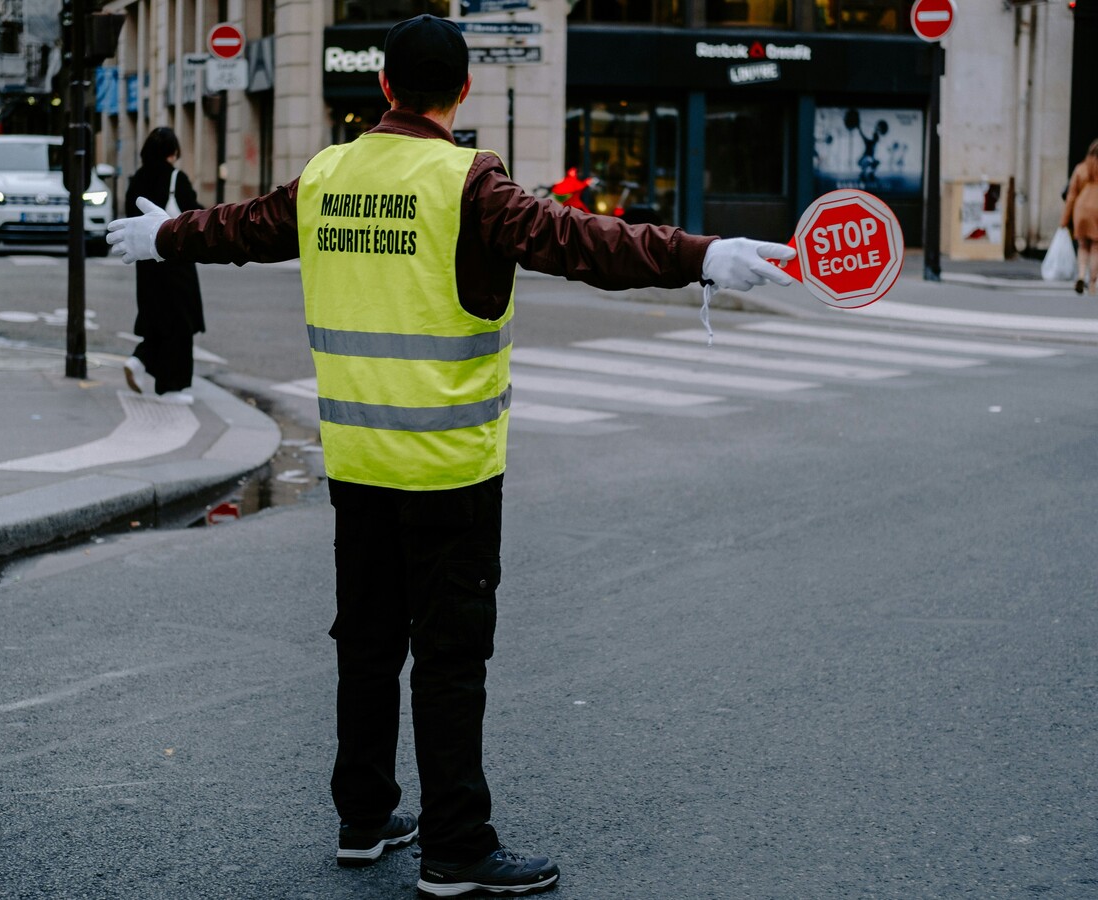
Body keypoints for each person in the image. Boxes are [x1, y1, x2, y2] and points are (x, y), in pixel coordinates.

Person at [108, 15, 794, 897]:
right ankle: (456, 848)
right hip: (450, 472)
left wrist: (168, 234)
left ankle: (363, 817)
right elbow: (585, 242)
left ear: (384, 87)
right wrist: (705, 256)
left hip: (356, 466)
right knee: (449, 659)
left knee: (365, 643)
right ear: (461, 92)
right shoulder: (469, 183)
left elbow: (242, 228)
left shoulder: (326, 174)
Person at [122, 126, 205, 403]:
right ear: (173, 152)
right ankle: (172, 387)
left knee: (157, 317)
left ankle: (140, 361)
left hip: (144, 262)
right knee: (180, 323)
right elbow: (194, 214)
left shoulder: (137, 180)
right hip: (174, 261)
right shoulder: (175, 178)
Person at [1061, 138, 1098, 295]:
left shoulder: (1081, 168)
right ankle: (1092, 283)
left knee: (1083, 246)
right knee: (1096, 247)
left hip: (1081, 209)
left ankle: (1081, 274)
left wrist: (1064, 220)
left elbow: (1071, 196)